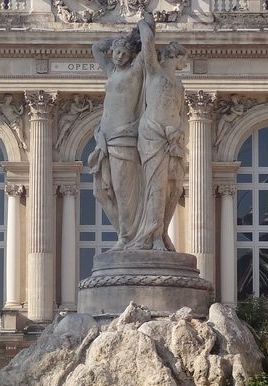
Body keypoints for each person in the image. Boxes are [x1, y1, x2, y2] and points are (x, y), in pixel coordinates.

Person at [88, 20, 152, 250]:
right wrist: (119, 39)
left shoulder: (136, 71)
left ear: (131, 55)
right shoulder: (112, 71)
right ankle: (125, 234)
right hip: (105, 138)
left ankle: (127, 237)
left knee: (124, 192)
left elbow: (148, 45)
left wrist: (142, 25)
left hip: (124, 138)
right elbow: (96, 48)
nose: (118, 56)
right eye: (116, 52)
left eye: (124, 53)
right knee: (101, 192)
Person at [130, 17, 188, 251]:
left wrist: (179, 135)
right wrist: (145, 22)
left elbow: (181, 113)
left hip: (173, 140)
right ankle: (151, 236)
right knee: (157, 186)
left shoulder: (179, 84)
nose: (186, 62)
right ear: (176, 56)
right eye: (184, 58)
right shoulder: (154, 71)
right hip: (153, 134)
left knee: (175, 188)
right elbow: (147, 43)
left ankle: (162, 232)